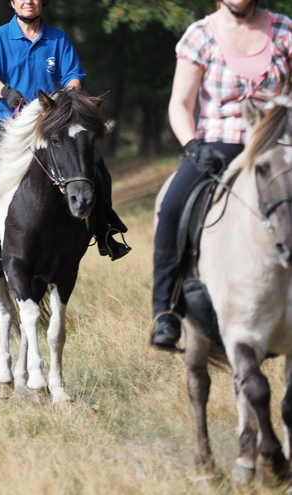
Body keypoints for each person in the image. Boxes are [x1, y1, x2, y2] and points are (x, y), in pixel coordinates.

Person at [150, 0, 292, 350]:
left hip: (277, 146)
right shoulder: (199, 35)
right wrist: (193, 146)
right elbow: (180, 104)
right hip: (219, 145)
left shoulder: (285, 31)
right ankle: (166, 312)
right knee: (170, 208)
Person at [0, 0, 130, 275]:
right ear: (12, 3)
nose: (28, 1)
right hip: (3, 119)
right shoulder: (0, 36)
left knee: (94, 161)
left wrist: (66, 98)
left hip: (50, 120)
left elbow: (73, 77)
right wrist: (7, 91)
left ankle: (106, 229)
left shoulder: (58, 38)